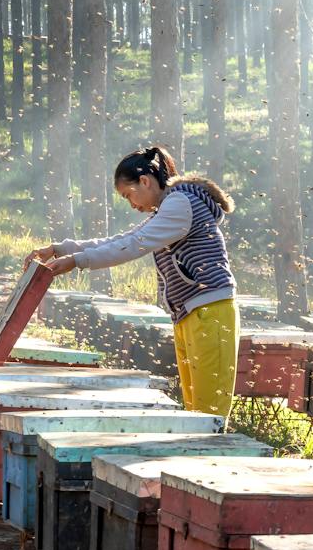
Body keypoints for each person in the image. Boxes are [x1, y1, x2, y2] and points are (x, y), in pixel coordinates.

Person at [27, 146, 239, 420]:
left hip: (211, 313)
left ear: (145, 181)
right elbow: (121, 240)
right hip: (190, 313)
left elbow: (131, 245)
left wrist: (77, 261)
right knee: (195, 412)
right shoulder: (170, 207)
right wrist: (62, 249)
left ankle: (212, 460)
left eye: (129, 195)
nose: (132, 205)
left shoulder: (180, 203)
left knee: (209, 414)